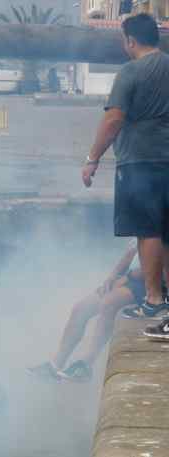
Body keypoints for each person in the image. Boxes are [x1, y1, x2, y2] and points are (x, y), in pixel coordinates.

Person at [81, 13, 169, 324]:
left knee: (148, 230)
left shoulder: (131, 72)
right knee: (166, 231)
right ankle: (166, 297)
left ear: (130, 40)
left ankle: (155, 299)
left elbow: (114, 119)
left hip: (140, 162)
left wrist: (92, 158)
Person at [28, 241, 154, 382]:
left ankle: (86, 364)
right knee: (80, 308)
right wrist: (112, 277)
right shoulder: (143, 223)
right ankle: (55, 364)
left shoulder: (159, 225)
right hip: (130, 278)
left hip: (151, 281)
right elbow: (130, 254)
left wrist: (127, 278)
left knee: (108, 303)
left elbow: (157, 263)